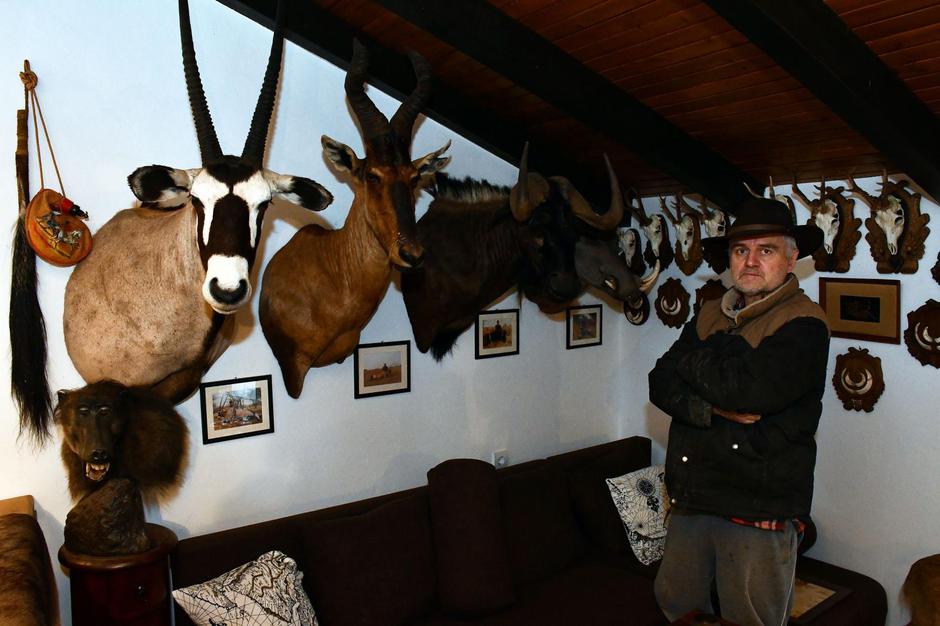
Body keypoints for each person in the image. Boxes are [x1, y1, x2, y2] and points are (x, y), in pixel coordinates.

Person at [649, 196, 830, 626]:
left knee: (752, 617)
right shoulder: (710, 311)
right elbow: (659, 382)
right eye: (740, 251)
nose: (750, 262)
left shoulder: (804, 322)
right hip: (693, 496)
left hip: (758, 502)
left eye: (765, 251)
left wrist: (695, 365)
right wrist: (717, 409)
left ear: (790, 260)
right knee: (677, 604)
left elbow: (750, 393)